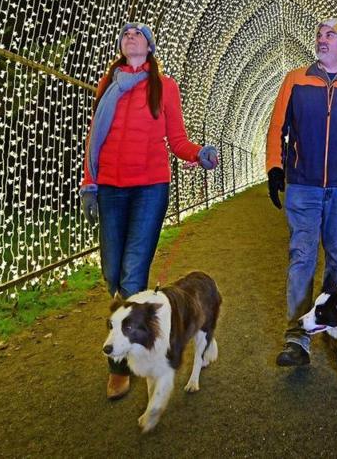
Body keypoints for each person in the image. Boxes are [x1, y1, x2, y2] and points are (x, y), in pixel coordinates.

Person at [80, 22, 219, 399]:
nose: (131, 38)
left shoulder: (165, 86)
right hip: (110, 186)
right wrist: (88, 184)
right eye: (125, 34)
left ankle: (120, 365)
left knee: (132, 274)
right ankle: (133, 338)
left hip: (149, 188)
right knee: (111, 271)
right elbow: (95, 137)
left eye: (138, 34)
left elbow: (176, 139)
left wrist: (198, 154)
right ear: (121, 45)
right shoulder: (108, 85)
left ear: (149, 46)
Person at [265, 19, 337, 366]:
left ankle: (335, 328)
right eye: (319, 34)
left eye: (330, 35)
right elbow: (278, 127)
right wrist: (275, 167)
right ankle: (297, 339)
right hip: (302, 185)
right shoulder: (295, 81)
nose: (321, 39)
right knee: (301, 258)